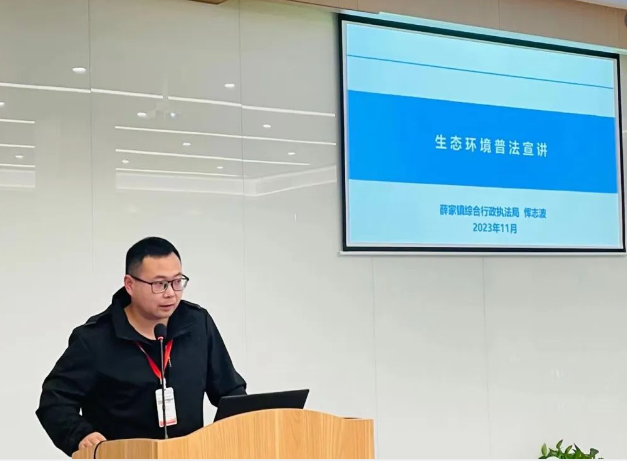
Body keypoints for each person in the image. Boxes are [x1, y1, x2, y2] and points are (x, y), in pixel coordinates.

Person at [36, 237, 246, 457]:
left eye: (177, 281)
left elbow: (230, 391)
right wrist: (80, 435)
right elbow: (54, 401)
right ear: (130, 284)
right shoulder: (94, 339)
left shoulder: (197, 324)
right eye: (159, 284)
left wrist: (233, 433)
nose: (170, 293)